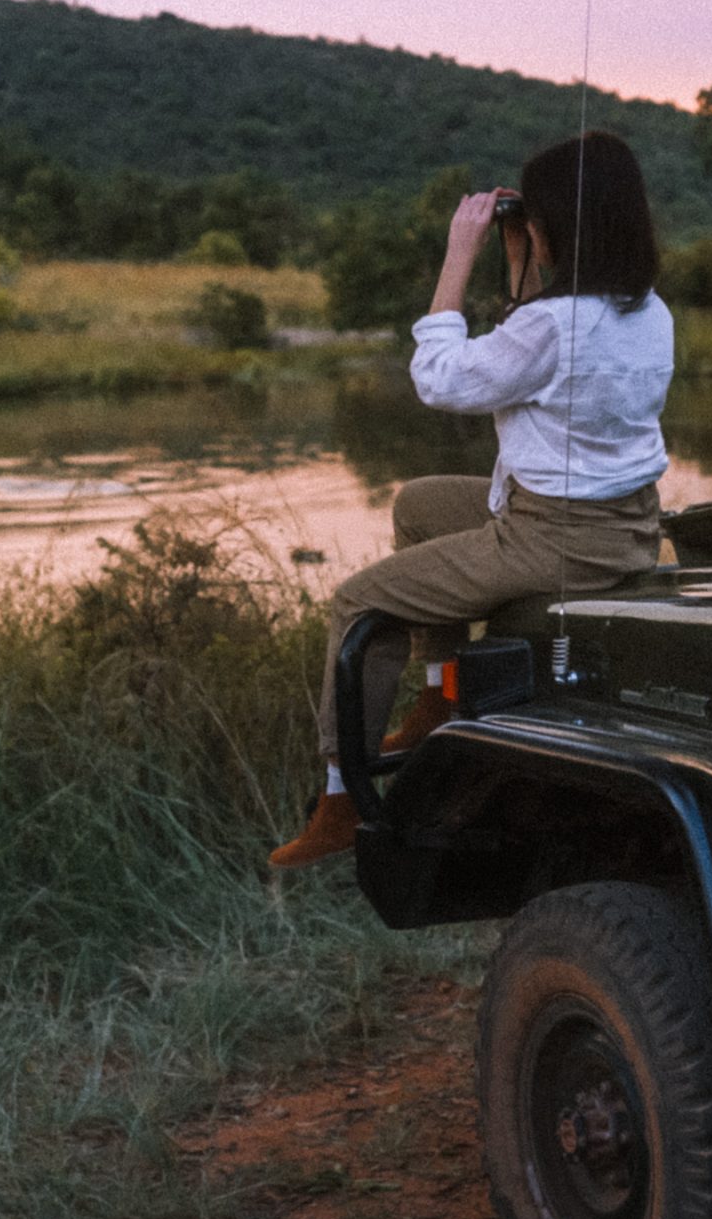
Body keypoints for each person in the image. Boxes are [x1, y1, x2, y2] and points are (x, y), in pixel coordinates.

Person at [269, 129, 673, 869]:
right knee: (419, 504)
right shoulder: (647, 311)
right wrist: (521, 264)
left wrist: (460, 254)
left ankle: (341, 798)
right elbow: (530, 348)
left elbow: (440, 379)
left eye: (536, 221)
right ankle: (439, 697)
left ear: (560, 226)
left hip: (553, 536)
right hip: (625, 525)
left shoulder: (553, 326)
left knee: (358, 601)